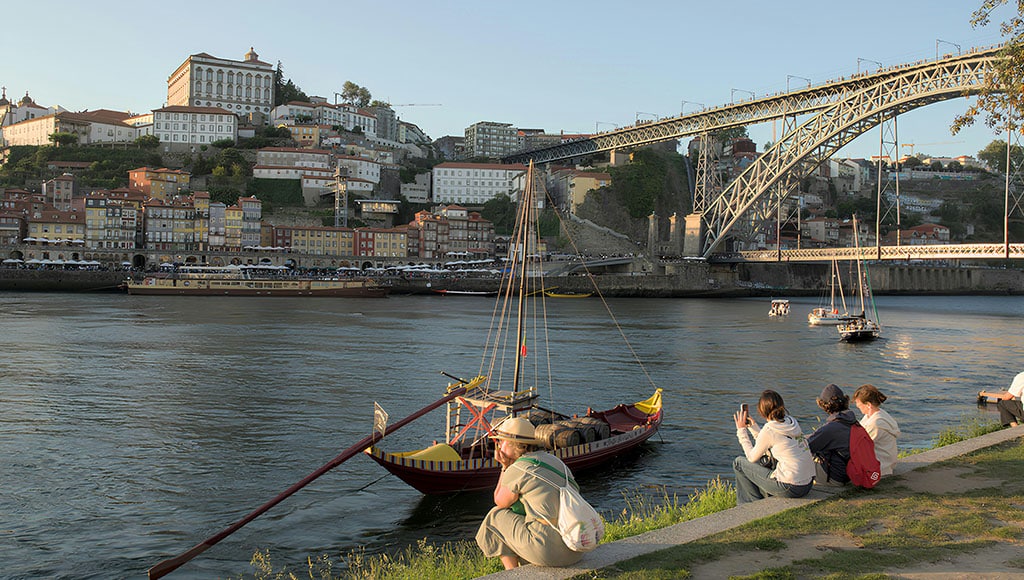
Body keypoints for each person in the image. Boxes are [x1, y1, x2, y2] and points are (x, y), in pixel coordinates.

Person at [475, 416, 584, 570]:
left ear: (514, 445)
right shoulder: (556, 461)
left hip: (549, 551)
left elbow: (499, 500)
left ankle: (513, 574)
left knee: (495, 516)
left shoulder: (519, 468)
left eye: (500, 441)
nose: (498, 446)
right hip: (575, 545)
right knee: (522, 516)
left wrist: (504, 467)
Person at [732, 389, 815, 504]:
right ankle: (756, 502)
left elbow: (751, 457)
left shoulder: (769, 430)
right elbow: (768, 443)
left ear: (761, 411)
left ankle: (747, 506)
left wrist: (741, 431)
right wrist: (753, 427)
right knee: (764, 461)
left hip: (790, 487)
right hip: (808, 484)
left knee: (739, 463)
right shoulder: (792, 422)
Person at [807, 383, 858, 485]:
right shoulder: (853, 422)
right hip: (849, 474)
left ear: (824, 405)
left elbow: (806, 447)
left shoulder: (830, 429)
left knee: (792, 458)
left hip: (835, 478)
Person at [852, 384, 901, 476]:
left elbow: (860, 445)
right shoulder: (878, 414)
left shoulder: (875, 423)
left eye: (859, 404)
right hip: (886, 461)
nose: (857, 406)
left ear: (868, 405)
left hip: (880, 467)